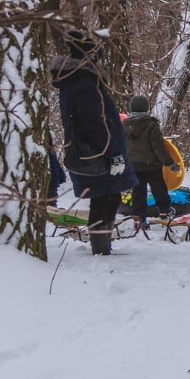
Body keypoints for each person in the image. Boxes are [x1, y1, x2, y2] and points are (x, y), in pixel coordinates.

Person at [51, 30, 137, 255]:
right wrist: (113, 152)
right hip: (94, 153)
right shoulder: (84, 84)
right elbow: (95, 125)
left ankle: (103, 245)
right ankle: (100, 249)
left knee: (109, 196)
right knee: (104, 198)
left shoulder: (76, 82)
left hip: (87, 151)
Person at [123, 95, 179, 227]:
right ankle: (165, 211)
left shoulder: (124, 125)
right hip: (152, 165)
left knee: (138, 192)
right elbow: (158, 147)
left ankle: (139, 218)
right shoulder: (151, 124)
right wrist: (169, 163)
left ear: (130, 108)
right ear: (146, 108)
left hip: (134, 166)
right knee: (159, 189)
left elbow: (122, 146)